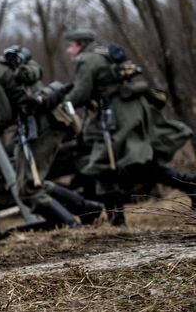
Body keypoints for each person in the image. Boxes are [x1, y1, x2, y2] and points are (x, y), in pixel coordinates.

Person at [0, 38, 104, 227]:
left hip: (40, 127)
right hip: (50, 121)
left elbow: (3, 116)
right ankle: (88, 210)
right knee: (32, 182)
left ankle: (72, 226)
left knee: (28, 190)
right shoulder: (4, 65)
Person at [63, 28, 195, 226]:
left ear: (81, 43)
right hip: (130, 110)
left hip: (117, 116)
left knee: (105, 164)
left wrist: (60, 102)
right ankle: (190, 185)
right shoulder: (103, 53)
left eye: (71, 45)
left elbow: (81, 93)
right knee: (137, 164)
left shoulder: (87, 60)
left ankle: (117, 220)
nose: (68, 50)